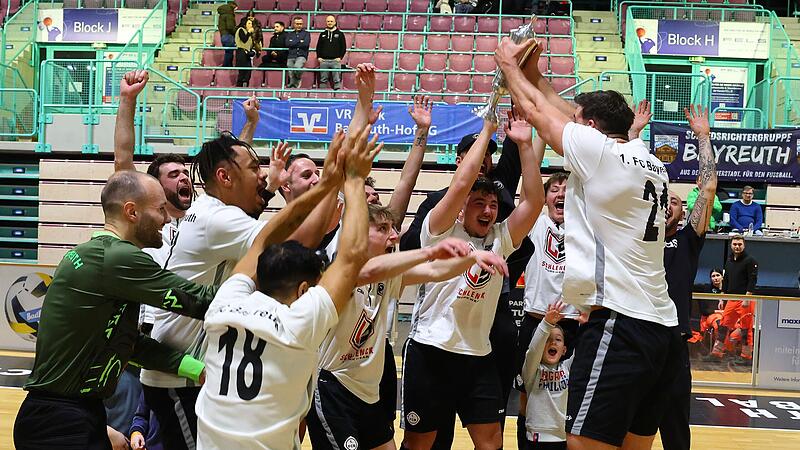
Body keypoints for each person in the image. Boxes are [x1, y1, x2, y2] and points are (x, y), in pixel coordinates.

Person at [495, 37, 683, 449]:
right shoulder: (645, 158)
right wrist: (536, 77)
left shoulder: (598, 153)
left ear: (592, 129)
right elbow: (563, 113)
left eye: (579, 121)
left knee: (582, 443)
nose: (572, 124)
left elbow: (539, 115)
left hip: (621, 320)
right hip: (661, 328)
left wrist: (509, 68)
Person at [195, 125, 379, 449]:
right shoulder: (299, 323)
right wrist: (352, 178)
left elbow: (263, 241)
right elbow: (351, 258)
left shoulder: (224, 302)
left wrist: (330, 182)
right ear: (304, 290)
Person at [13, 170, 219, 450]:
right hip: (61, 422)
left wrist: (197, 369)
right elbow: (196, 300)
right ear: (132, 212)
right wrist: (267, 285)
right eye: (160, 210)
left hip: (69, 414)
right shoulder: (118, 258)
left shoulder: (95, 254)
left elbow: (127, 343)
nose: (167, 218)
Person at [307, 206, 508, 450]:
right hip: (333, 389)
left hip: (368, 394)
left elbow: (434, 271)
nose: (393, 235)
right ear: (357, 233)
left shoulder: (389, 275)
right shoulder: (342, 268)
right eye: (382, 229)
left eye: (393, 229)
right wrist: (430, 251)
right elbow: (369, 271)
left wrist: (472, 258)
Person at [400, 112, 545, 449]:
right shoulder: (438, 230)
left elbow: (534, 202)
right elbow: (461, 184)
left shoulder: (500, 238)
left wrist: (524, 144)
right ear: (462, 209)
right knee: (420, 442)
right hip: (431, 350)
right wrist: (488, 130)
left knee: (491, 440)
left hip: (479, 356)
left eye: (493, 204)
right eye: (479, 203)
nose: (488, 209)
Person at [138, 134, 281, 450]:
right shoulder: (212, 218)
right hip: (178, 371)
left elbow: (249, 229)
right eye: (255, 167)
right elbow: (278, 241)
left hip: (190, 370)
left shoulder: (205, 213)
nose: (262, 174)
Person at [658, 105, 718, 450]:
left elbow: (708, 187)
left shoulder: (687, 240)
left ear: (684, 210)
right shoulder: (640, 236)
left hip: (673, 343)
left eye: (677, 200)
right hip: (637, 338)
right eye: (663, 197)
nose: (668, 203)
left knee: (676, 432)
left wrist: (702, 137)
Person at [514, 160, 580, 450]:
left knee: (570, 389)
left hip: (571, 321)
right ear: (545, 198)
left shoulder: (583, 226)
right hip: (536, 318)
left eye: (567, 189)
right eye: (555, 189)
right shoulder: (536, 223)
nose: (561, 193)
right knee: (527, 391)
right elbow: (526, 198)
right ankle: (525, 443)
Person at [520, 301, 572, 449]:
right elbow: (534, 349)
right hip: (537, 437)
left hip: (563, 436)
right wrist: (546, 323)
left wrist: (586, 325)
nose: (553, 343)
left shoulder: (568, 367)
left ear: (564, 350)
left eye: (558, 339)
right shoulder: (532, 370)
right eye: (547, 339)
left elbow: (585, 350)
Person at [708, 235, 758, 362]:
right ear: (731, 245)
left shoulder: (751, 261)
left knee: (746, 329)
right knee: (724, 325)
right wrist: (722, 298)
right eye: (735, 244)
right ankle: (716, 353)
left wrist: (747, 298)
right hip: (731, 299)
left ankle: (746, 357)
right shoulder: (729, 260)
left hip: (745, 299)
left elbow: (752, 281)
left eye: (739, 244)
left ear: (744, 245)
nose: (737, 246)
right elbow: (726, 280)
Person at [316, 15, 347, 90]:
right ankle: (322, 94)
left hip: (335, 61)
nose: (330, 23)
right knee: (323, 79)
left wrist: (340, 57)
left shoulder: (340, 34)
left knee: (337, 79)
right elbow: (318, 47)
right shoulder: (322, 34)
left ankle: (338, 94)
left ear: (335, 22)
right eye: (328, 21)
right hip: (324, 60)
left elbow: (343, 47)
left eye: (331, 21)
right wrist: (319, 57)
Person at [234, 16, 261, 87]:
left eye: (251, 24)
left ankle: (246, 89)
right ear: (244, 24)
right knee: (242, 73)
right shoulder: (241, 30)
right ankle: (239, 90)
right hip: (241, 53)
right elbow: (244, 39)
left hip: (248, 54)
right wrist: (249, 33)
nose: (251, 25)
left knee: (248, 73)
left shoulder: (250, 33)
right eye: (249, 23)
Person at [286, 16, 310, 88]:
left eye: (300, 24)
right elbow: (287, 43)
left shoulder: (306, 34)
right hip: (291, 55)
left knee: (297, 67)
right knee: (290, 70)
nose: (299, 25)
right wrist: (299, 41)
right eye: (297, 24)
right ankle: (293, 85)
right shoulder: (290, 34)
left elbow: (305, 44)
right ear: (294, 24)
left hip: (302, 55)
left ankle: (296, 82)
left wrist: (293, 42)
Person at [217, 2, 237, 67]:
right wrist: (237, 31)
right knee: (229, 53)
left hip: (223, 35)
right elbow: (230, 27)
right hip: (229, 36)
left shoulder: (222, 14)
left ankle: (228, 66)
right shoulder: (229, 15)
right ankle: (226, 66)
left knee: (228, 52)